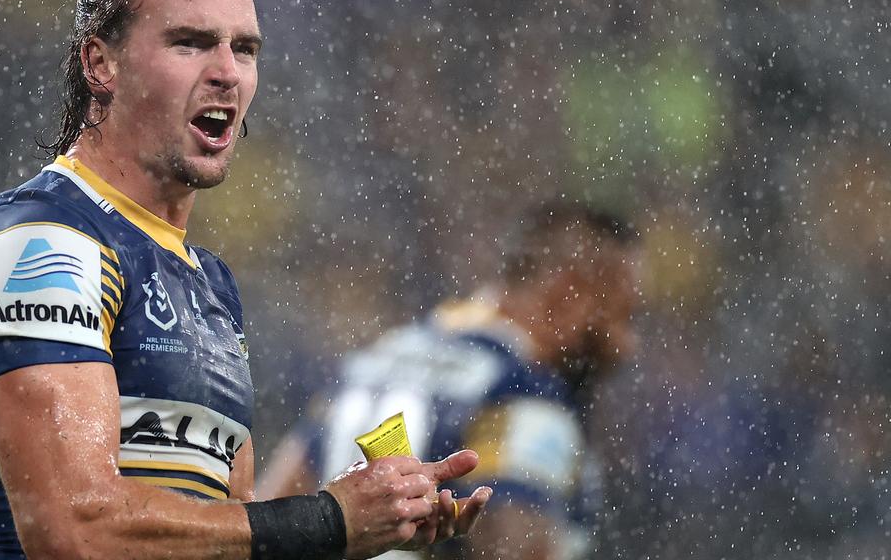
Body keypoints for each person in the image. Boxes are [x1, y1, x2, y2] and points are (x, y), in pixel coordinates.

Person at [0, 0, 491, 560]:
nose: (226, 70)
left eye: (244, 48)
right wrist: (326, 521)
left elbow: (227, 542)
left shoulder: (210, 285)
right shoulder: (44, 243)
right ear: (100, 64)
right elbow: (77, 532)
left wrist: (374, 521)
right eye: (190, 42)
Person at [258, 201, 642, 560]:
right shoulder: (523, 389)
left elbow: (269, 518)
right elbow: (517, 547)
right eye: (623, 316)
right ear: (568, 295)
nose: (627, 346)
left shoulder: (380, 355)